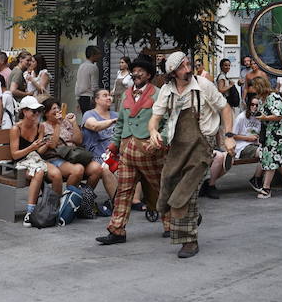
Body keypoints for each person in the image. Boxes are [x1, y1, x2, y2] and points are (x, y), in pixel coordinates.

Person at [147, 51, 234, 259]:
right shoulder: (167, 91)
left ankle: (189, 242)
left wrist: (229, 136)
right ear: (172, 73)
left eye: (188, 65)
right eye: (182, 67)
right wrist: (153, 132)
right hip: (177, 146)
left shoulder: (203, 86)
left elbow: (226, 109)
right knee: (168, 186)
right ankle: (193, 218)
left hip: (202, 145)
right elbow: (155, 118)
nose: (188, 70)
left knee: (185, 194)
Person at [96, 56, 171, 244]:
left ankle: (172, 224)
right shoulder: (126, 94)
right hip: (126, 150)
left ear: (149, 75)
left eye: (141, 71)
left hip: (149, 149)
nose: (136, 73)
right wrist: (114, 144)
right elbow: (121, 122)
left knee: (161, 188)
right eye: (134, 70)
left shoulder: (159, 93)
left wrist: (161, 140)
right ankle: (117, 230)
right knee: (123, 191)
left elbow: (169, 121)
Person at [10, 95, 63, 226]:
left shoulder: (40, 127)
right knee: (38, 172)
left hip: (36, 159)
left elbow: (39, 152)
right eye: (34, 111)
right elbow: (15, 155)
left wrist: (44, 144)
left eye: (39, 111)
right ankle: (30, 212)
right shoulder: (16, 129)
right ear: (24, 111)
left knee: (56, 174)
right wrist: (32, 147)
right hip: (21, 162)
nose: (37, 114)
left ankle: (53, 208)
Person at [252, 76, 282, 198]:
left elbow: (280, 115)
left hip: (277, 132)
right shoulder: (263, 98)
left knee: (271, 158)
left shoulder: (273, 97)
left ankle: (266, 188)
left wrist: (264, 118)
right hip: (270, 132)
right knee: (273, 157)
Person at [81, 89, 120, 200]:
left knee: (133, 165)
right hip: (98, 156)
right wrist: (113, 121)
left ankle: (134, 200)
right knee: (105, 168)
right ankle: (117, 202)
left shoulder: (115, 114)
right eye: (105, 95)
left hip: (117, 155)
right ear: (96, 100)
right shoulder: (89, 114)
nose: (109, 98)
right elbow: (94, 126)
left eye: (109, 95)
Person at [76, 45, 101, 114]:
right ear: (93, 55)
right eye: (98, 54)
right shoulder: (93, 67)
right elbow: (94, 86)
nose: (100, 56)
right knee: (92, 120)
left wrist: (77, 98)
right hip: (90, 97)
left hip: (81, 98)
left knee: (85, 120)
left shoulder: (81, 66)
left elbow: (77, 84)